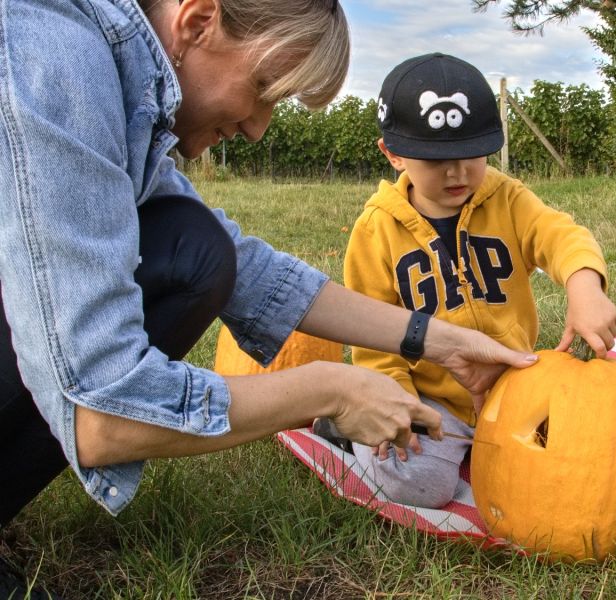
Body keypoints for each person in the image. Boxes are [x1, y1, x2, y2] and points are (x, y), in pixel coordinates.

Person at [0, 2, 538, 596]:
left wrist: (439, 338)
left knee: (195, 248)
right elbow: (101, 413)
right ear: (198, 20)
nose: (258, 126)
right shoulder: (53, 62)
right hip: (97, 405)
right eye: (262, 88)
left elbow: (254, 274)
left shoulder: (121, 90)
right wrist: (330, 389)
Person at [333, 53, 616, 509]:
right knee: (421, 484)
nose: (457, 172)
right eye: (436, 159)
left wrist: (584, 285)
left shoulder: (507, 199)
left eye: (472, 153)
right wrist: (400, 407)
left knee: (593, 456)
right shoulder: (375, 232)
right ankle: (350, 433)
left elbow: (560, 235)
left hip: (511, 384)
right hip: (432, 400)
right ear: (393, 154)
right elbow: (373, 344)